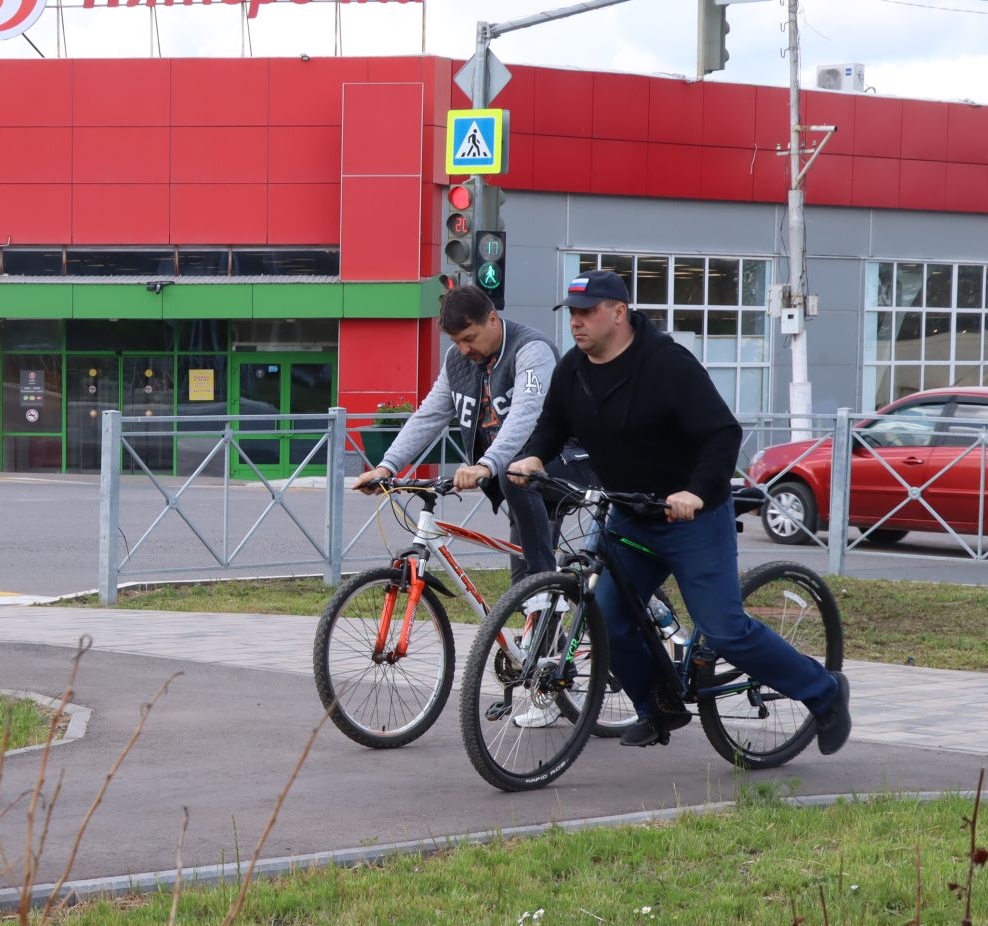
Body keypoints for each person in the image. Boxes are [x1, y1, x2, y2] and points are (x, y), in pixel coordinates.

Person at [509, 269, 850, 752]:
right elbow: (552, 424)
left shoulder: (667, 364)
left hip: (692, 519)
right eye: (572, 314)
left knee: (725, 632)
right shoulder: (574, 369)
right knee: (608, 619)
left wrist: (695, 492)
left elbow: (721, 435)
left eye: (587, 313)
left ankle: (825, 692)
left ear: (619, 312)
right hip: (630, 517)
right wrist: (534, 455)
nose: (577, 323)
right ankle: (659, 706)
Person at [351, 284, 561, 580]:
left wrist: (485, 464)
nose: (464, 349)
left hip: (562, 460)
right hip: (512, 476)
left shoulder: (531, 350)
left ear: (492, 319)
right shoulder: (458, 361)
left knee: (532, 579)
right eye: (456, 341)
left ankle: (545, 589)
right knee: (519, 586)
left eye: (469, 338)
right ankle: (539, 605)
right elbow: (429, 415)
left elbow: (524, 415)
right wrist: (387, 466)